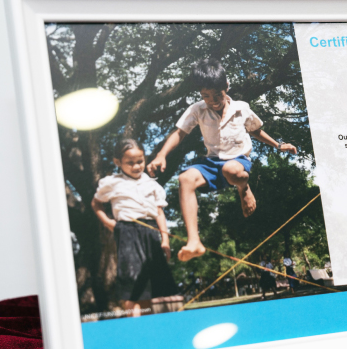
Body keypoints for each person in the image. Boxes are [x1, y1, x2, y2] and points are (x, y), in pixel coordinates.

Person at [147, 58, 298, 261]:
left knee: (231, 171)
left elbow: (256, 130)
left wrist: (278, 145)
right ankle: (194, 242)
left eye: (218, 94)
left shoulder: (241, 108)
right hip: (212, 161)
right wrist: (161, 155)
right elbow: (180, 133)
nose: (213, 100)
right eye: (206, 96)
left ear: (227, 86)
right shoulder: (197, 109)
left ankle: (244, 188)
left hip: (238, 160)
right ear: (200, 94)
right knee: (185, 179)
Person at [92, 138, 175, 318]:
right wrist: (109, 223)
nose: (136, 166)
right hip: (127, 232)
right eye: (130, 163)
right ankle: (135, 323)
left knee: (152, 282)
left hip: (151, 231)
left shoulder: (152, 184)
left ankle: (150, 323)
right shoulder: (111, 182)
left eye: (140, 161)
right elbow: (96, 203)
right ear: (118, 162)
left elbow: (159, 213)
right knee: (132, 280)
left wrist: (165, 240)